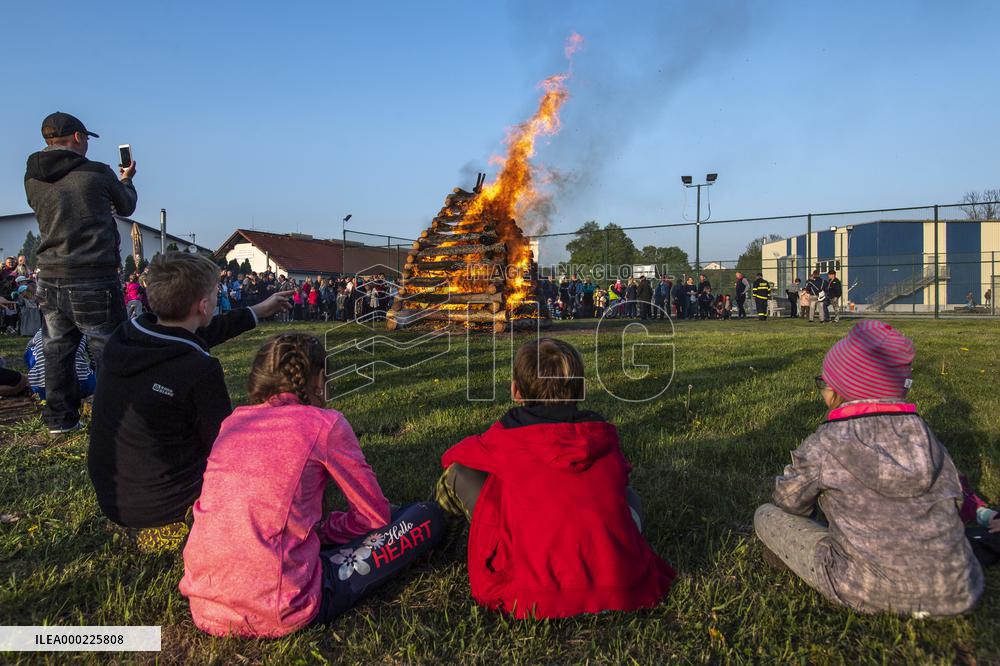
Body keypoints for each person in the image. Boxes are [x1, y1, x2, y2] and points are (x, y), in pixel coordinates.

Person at [180, 333, 442, 637]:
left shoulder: (233, 422)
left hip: (205, 604)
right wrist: (327, 530)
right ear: (318, 379)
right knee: (424, 516)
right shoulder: (324, 424)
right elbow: (374, 516)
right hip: (283, 606)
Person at [434, 338, 676, 618]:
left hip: (532, 595)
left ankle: (432, 544)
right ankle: (602, 559)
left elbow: (453, 459)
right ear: (581, 389)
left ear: (515, 390)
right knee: (630, 496)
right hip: (620, 587)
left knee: (456, 476)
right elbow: (622, 475)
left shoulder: (505, 438)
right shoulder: (601, 435)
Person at [755, 321, 983, 616]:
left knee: (766, 515)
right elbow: (956, 496)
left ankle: (787, 558)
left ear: (841, 389)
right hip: (958, 588)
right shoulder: (925, 436)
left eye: (824, 383)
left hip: (866, 590)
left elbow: (789, 500)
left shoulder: (828, 441)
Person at [87, 252, 293, 551]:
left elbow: (197, 331)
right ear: (204, 305)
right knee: (276, 461)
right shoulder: (198, 370)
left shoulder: (126, 338)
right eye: (214, 293)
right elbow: (223, 448)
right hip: (163, 504)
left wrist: (257, 311)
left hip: (113, 495)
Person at [25, 112, 137, 435]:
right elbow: (126, 204)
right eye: (86, 138)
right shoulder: (97, 173)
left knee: (57, 348)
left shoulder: (31, 177)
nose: (87, 143)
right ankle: (111, 416)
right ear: (77, 137)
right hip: (92, 274)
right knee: (109, 348)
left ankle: (61, 419)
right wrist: (126, 179)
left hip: (49, 273)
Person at [25, 326, 95, 401]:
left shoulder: (39, 333)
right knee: (100, 377)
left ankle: (38, 378)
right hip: (78, 385)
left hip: (41, 389)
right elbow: (96, 360)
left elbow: (27, 355)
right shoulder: (83, 330)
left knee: (32, 353)